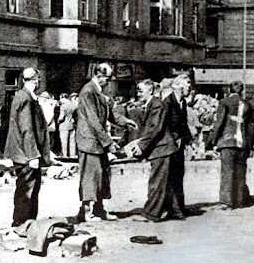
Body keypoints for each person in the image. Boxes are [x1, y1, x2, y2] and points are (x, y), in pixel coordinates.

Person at [75, 63, 137, 222]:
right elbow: (93, 121)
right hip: (89, 143)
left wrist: (125, 121)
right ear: (99, 76)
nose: (108, 82)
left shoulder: (99, 92)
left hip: (98, 143)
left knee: (102, 176)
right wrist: (109, 142)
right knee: (90, 178)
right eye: (107, 79)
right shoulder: (88, 91)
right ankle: (87, 212)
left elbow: (110, 115)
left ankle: (99, 210)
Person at [125, 79, 183, 222]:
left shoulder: (156, 105)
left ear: (150, 91)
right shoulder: (152, 104)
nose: (138, 94)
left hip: (162, 149)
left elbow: (154, 129)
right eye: (137, 90)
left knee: (156, 182)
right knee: (167, 182)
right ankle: (176, 212)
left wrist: (141, 146)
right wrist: (138, 142)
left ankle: (151, 214)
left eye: (140, 91)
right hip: (164, 148)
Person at [4, 68, 51, 229]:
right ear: (36, 80)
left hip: (23, 152)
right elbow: (27, 129)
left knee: (29, 188)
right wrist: (32, 155)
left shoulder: (25, 96)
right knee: (27, 189)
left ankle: (26, 223)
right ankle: (22, 223)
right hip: (25, 153)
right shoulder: (25, 98)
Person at [206, 81, 252, 210]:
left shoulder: (224, 102)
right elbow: (250, 127)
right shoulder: (247, 104)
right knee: (240, 171)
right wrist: (250, 144)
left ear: (229, 90)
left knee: (227, 171)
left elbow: (219, 122)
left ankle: (227, 202)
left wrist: (211, 141)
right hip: (242, 142)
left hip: (227, 142)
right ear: (241, 91)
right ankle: (239, 200)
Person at [163, 74, 193, 214]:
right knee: (171, 176)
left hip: (179, 145)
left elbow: (183, 123)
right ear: (180, 87)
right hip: (170, 145)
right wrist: (174, 139)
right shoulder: (167, 102)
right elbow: (164, 125)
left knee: (179, 174)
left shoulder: (183, 103)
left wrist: (187, 140)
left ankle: (179, 207)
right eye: (188, 85)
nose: (190, 88)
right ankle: (172, 209)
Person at [58, 93, 77, 157]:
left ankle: (65, 155)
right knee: (72, 141)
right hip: (71, 125)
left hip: (64, 125)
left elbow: (61, 117)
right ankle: (72, 154)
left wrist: (58, 121)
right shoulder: (72, 105)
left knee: (64, 141)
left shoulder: (63, 106)